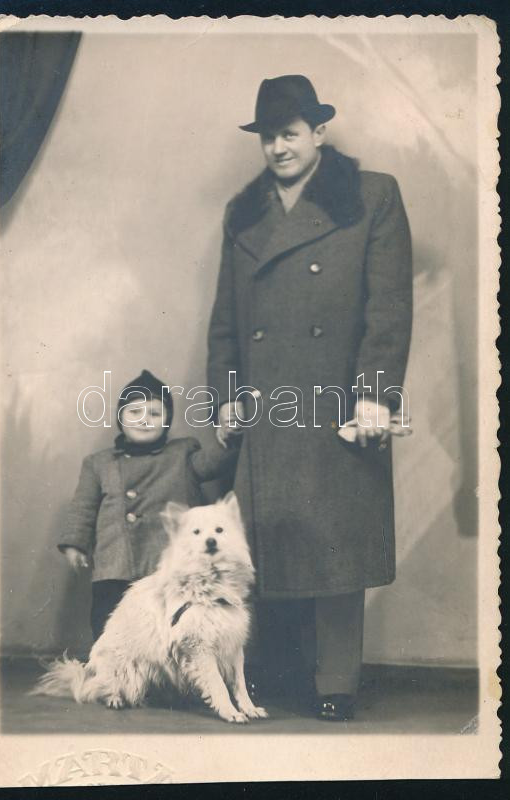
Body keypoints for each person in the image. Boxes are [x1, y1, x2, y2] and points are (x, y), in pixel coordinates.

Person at [207, 75, 413, 720]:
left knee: (336, 544)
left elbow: (389, 307)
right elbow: (226, 318)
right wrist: (226, 395)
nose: (278, 147)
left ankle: (336, 682)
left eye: (290, 134)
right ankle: (281, 673)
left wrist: (375, 396)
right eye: (268, 136)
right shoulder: (244, 213)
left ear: (319, 132)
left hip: (338, 402)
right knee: (270, 541)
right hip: (268, 405)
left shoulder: (372, 196)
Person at [59, 369, 239, 641]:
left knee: (171, 628)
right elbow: (83, 506)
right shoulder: (99, 463)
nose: (144, 419)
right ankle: (110, 666)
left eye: (154, 413)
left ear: (167, 420)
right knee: (110, 628)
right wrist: (75, 543)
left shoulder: (183, 454)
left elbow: (213, 462)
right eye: (134, 412)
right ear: (120, 418)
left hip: (170, 566)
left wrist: (228, 437)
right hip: (116, 565)